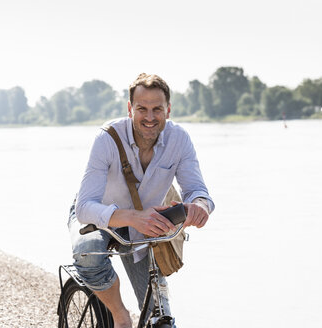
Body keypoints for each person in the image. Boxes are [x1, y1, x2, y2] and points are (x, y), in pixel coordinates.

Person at [68, 73, 214, 328]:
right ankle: (119, 315)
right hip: (99, 216)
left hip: (143, 227)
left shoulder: (179, 139)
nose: (149, 117)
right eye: (141, 109)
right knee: (88, 254)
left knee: (160, 317)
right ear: (129, 109)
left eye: (157, 109)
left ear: (168, 110)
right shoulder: (107, 138)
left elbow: (198, 191)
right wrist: (134, 217)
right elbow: (84, 207)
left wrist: (199, 206)